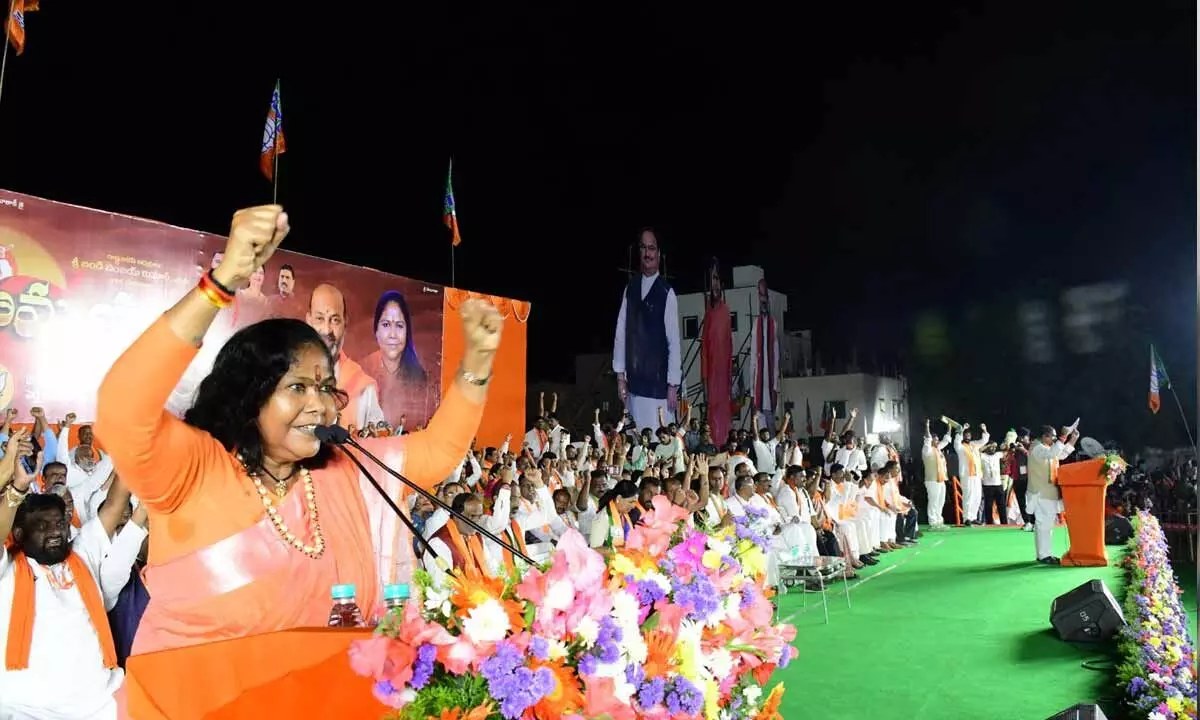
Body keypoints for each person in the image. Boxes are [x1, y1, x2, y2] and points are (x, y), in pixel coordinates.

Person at [93, 207, 500, 685]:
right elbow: (122, 408)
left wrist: (476, 364)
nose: (321, 406)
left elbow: (438, 451)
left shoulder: (343, 471)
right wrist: (221, 283)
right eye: (299, 387)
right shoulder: (196, 468)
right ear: (251, 395)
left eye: (327, 388)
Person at [612, 228, 681, 432]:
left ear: (658, 253)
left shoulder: (667, 293)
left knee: (659, 447)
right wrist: (620, 377)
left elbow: (674, 342)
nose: (647, 253)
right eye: (643, 247)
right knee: (635, 447)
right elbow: (621, 334)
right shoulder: (630, 289)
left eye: (652, 248)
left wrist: (672, 385)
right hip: (634, 386)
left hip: (659, 389)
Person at [361, 290, 430, 425]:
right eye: (386, 325)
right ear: (376, 330)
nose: (393, 334)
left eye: (399, 325)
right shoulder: (361, 372)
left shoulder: (419, 377)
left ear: (407, 332)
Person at [1027, 424, 1078, 564]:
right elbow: (1053, 453)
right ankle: (1044, 555)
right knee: (1044, 524)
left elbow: (1060, 454)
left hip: (1047, 493)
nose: (1054, 439)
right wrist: (1063, 436)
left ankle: (1043, 554)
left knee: (1045, 524)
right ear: (1044, 436)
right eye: (1053, 436)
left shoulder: (1047, 448)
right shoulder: (1037, 448)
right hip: (1041, 493)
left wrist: (1072, 439)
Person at [699, 258, 733, 443]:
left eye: (717, 283)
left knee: (723, 407)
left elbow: (729, 341)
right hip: (712, 369)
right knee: (713, 407)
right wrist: (704, 376)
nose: (716, 288)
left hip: (723, 368)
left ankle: (724, 438)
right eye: (712, 285)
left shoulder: (726, 311)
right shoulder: (709, 313)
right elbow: (704, 346)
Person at [749, 278, 781, 429]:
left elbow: (776, 355)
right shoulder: (756, 324)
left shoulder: (773, 324)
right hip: (758, 385)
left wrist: (775, 385)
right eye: (761, 301)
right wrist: (751, 390)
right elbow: (753, 357)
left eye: (765, 301)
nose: (763, 304)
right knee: (760, 425)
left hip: (771, 384)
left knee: (771, 426)